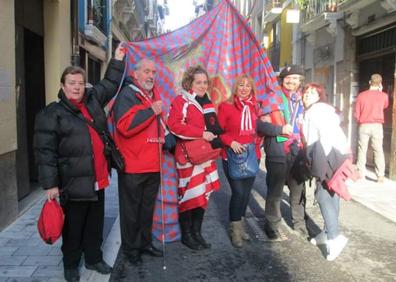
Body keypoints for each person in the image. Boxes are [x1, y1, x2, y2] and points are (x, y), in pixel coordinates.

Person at [33, 45, 126, 282]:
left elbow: (110, 84)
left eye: (80, 82)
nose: (76, 87)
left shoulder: (93, 100)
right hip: (72, 184)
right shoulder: (51, 114)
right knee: (73, 228)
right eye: (71, 82)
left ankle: (94, 258)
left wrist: (117, 60)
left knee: (95, 224)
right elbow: (44, 152)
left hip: (98, 179)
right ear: (63, 85)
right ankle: (71, 265)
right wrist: (50, 185)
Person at [112, 58, 164, 265]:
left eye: (153, 72)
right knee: (131, 212)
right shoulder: (128, 95)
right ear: (136, 73)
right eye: (147, 71)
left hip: (153, 164)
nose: (151, 75)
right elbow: (125, 126)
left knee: (146, 210)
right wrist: (152, 111)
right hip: (133, 166)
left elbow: (157, 124)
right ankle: (131, 250)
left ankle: (144, 243)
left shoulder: (151, 94)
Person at [168, 65, 223, 250]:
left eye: (205, 82)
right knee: (189, 196)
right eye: (198, 82)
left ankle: (197, 232)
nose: (202, 85)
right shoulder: (181, 100)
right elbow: (174, 125)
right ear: (189, 82)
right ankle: (187, 235)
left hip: (205, 155)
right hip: (188, 157)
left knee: (202, 196)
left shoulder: (206, 102)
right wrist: (202, 133)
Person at [256, 65, 307, 240]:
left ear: (300, 81)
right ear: (282, 79)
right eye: (288, 78)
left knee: (297, 190)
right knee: (275, 190)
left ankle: (300, 224)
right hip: (277, 150)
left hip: (298, 151)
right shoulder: (272, 98)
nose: (291, 81)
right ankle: (272, 224)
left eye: (296, 78)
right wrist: (279, 129)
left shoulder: (303, 100)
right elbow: (260, 125)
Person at [301, 83, 350, 261]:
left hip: (326, 154)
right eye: (305, 92)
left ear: (320, 96)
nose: (307, 95)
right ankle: (328, 231)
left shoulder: (317, 110)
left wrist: (322, 162)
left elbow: (326, 135)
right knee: (331, 193)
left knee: (322, 196)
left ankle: (334, 237)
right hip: (332, 154)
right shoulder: (320, 109)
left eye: (313, 93)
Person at [217, 74, 261, 248]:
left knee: (246, 194)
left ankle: (241, 227)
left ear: (252, 89)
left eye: (247, 86)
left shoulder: (255, 107)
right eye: (241, 85)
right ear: (235, 87)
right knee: (238, 192)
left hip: (252, 156)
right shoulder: (226, 107)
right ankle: (235, 230)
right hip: (232, 156)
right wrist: (231, 142)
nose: (244, 88)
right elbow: (218, 132)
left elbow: (258, 130)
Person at [354, 73, 389, 183]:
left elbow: (356, 113)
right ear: (380, 84)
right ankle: (380, 176)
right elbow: (385, 106)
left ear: (369, 82)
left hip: (364, 125)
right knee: (378, 150)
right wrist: (380, 91)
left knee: (362, 149)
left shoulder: (361, 95)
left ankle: (360, 172)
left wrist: (359, 120)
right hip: (377, 126)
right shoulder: (384, 96)